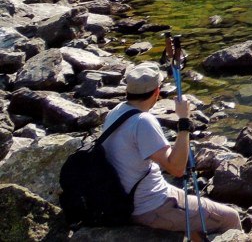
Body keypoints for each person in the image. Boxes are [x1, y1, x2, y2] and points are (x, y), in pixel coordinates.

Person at [101, 63, 241, 240]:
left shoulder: (116, 112)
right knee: (231, 218)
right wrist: (183, 121)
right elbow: (177, 168)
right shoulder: (143, 121)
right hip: (150, 207)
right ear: (156, 92)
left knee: (198, 224)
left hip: (128, 198)